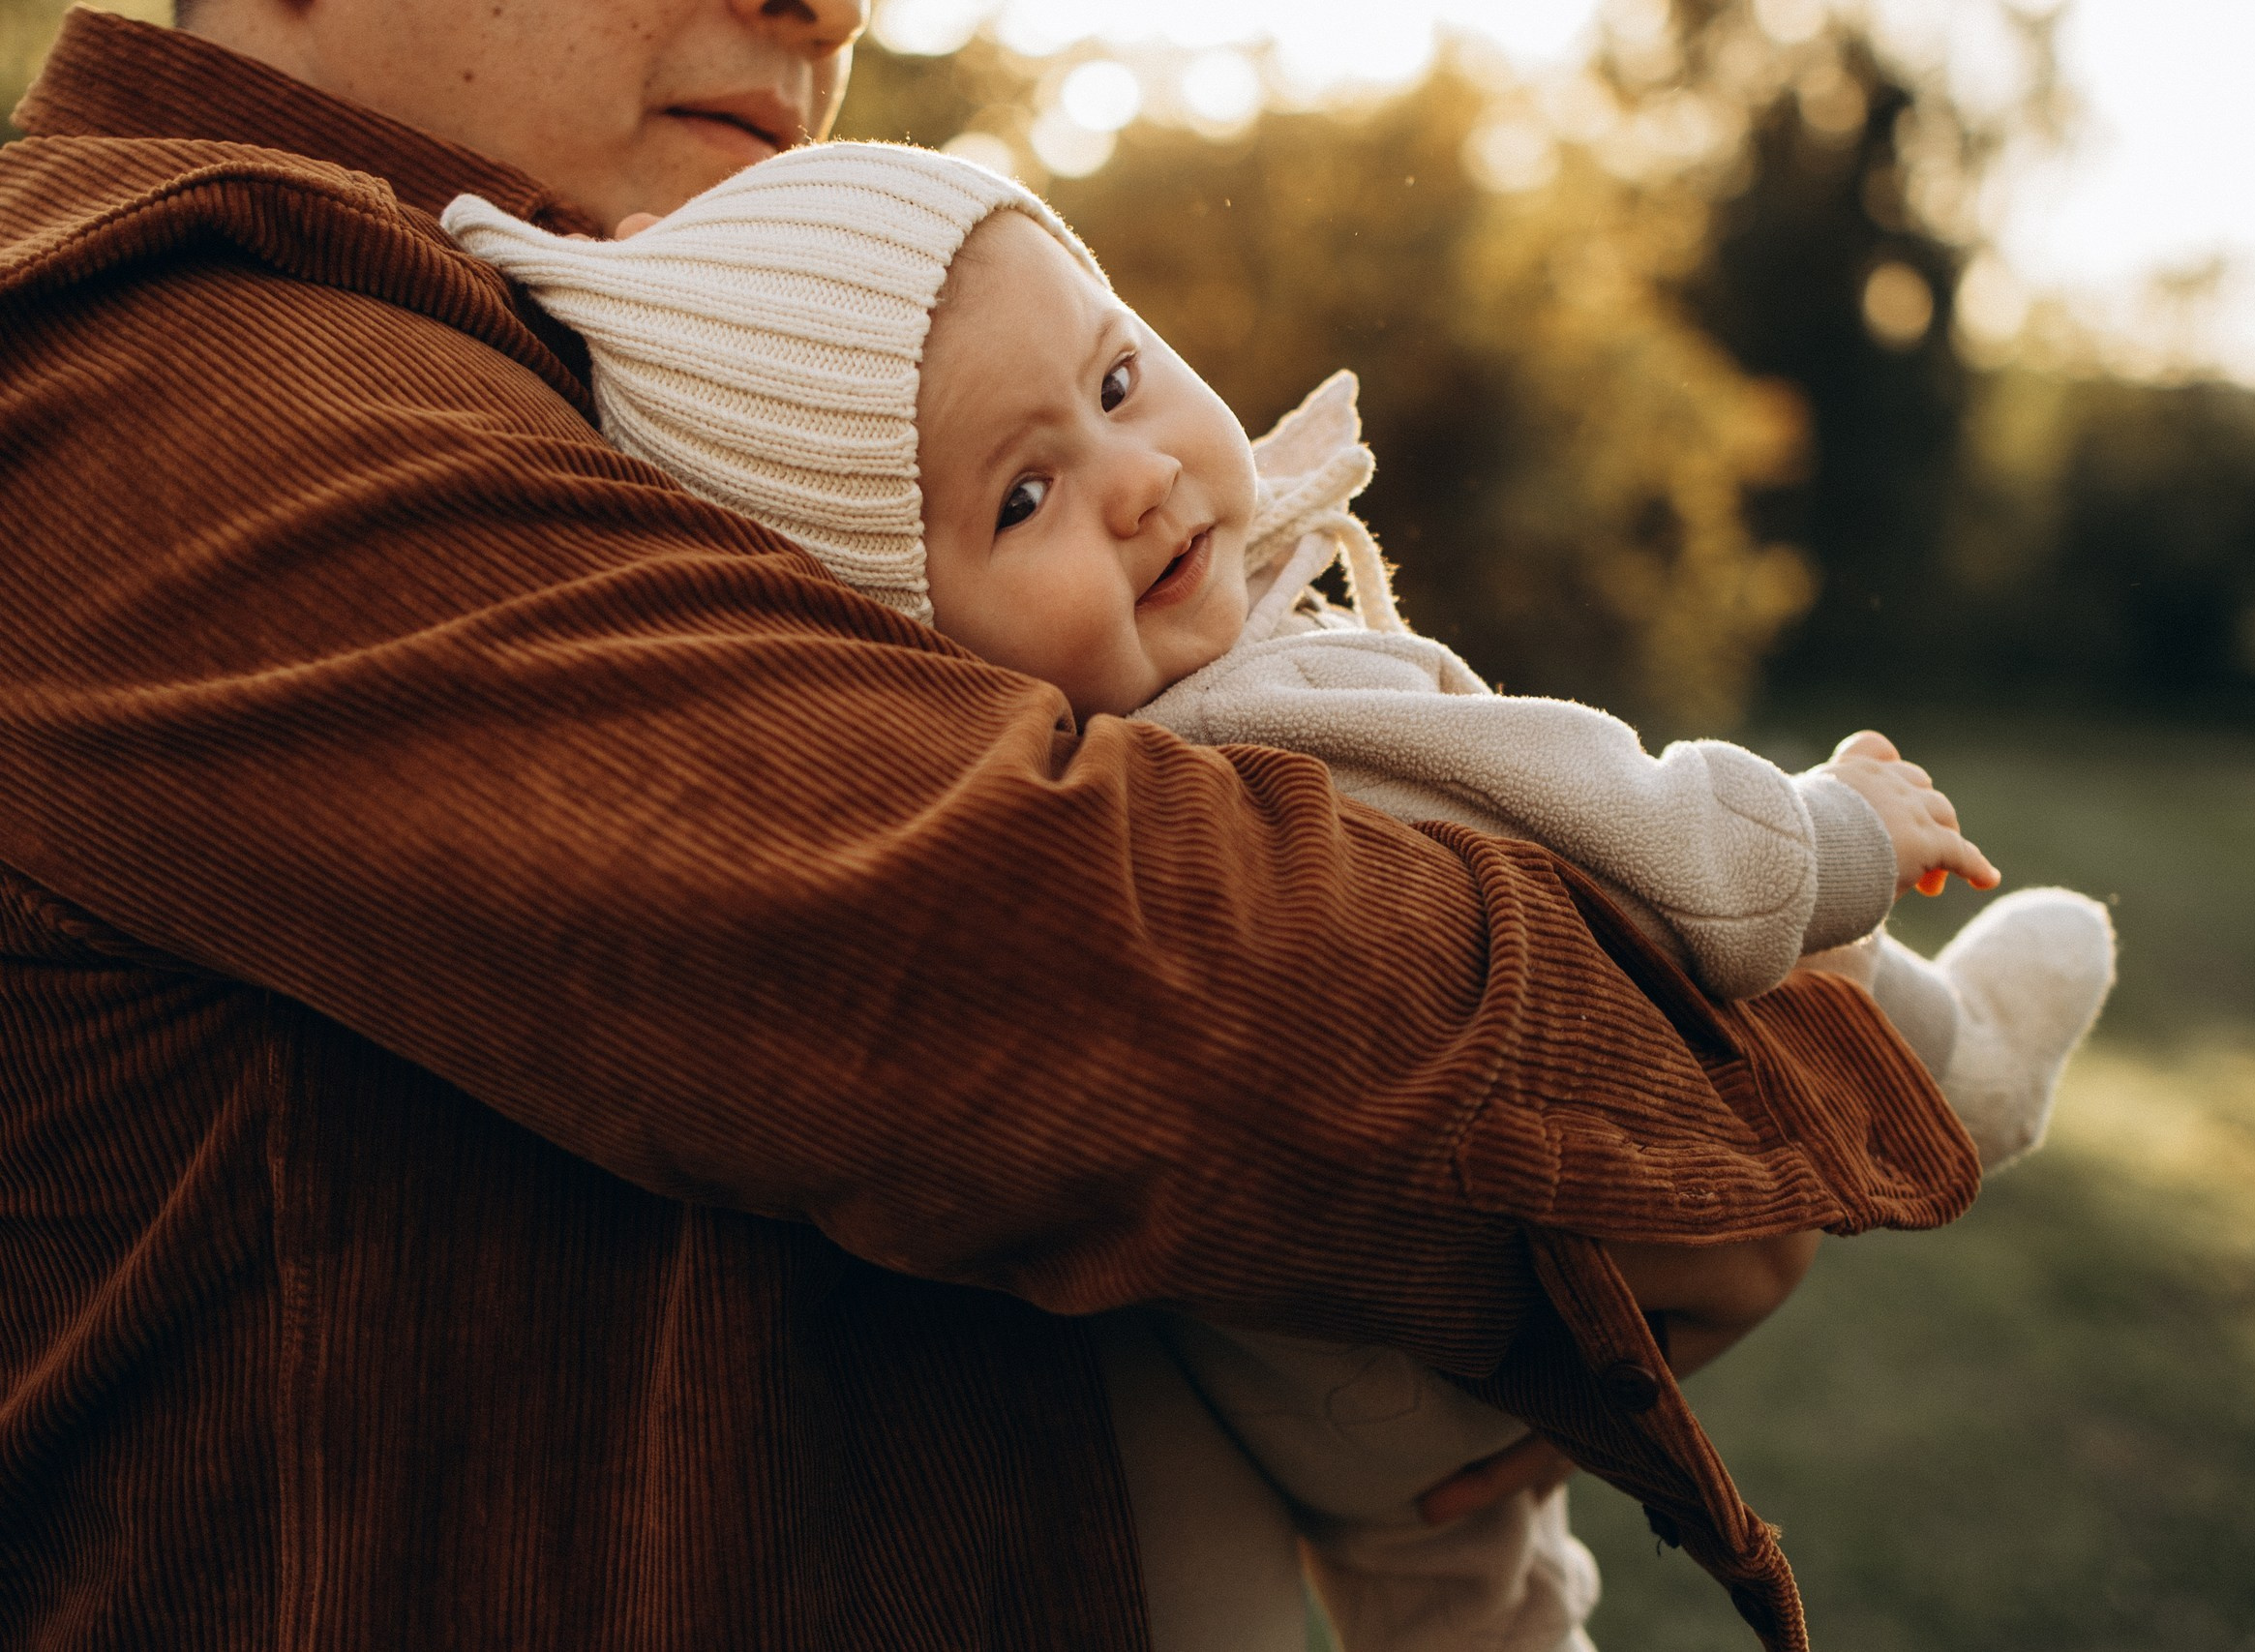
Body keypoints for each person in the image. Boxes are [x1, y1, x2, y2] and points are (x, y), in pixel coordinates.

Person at [0, 5, 1982, 1649]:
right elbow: (1140, 991)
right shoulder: (173, 378)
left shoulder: (552, 376)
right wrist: (1720, 1068)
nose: (828, 8)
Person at [446, 142, 2117, 1650]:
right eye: (1020, 496)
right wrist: (1830, 835)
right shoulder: (1249, 720)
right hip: (1458, 1296)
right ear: (907, 633)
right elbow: (1627, 828)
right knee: (1786, 994)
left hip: (1281, 1373)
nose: (1135, 477)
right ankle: (1957, 1060)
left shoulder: (1132, 724)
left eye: (1116, 376)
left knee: (1452, 1601)